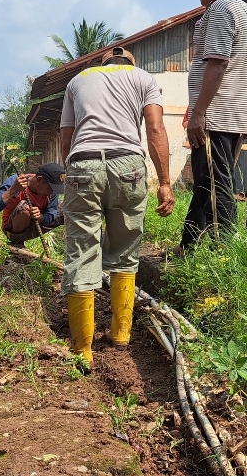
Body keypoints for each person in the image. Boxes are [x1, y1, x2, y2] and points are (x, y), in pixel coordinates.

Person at [58, 46, 176, 363]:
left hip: (83, 165)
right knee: (125, 251)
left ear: (104, 63)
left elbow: (66, 137)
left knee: (81, 251)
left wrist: (70, 175)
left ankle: (82, 349)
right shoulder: (144, 79)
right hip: (128, 167)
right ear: (130, 63)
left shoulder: (78, 80)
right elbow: (154, 128)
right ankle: (120, 333)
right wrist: (165, 182)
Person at [179, 0, 247, 253]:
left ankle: (225, 251)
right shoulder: (242, 10)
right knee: (206, 181)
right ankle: (188, 245)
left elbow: (218, 64)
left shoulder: (221, 10)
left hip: (216, 115)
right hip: (231, 113)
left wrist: (199, 113)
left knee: (214, 184)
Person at [0, 164, 64, 245]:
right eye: (50, 189)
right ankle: (17, 243)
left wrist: (41, 217)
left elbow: (51, 213)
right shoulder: (16, 181)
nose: (52, 192)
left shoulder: (52, 192)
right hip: (13, 229)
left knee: (69, 207)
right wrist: (13, 190)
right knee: (25, 207)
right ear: (40, 179)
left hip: (37, 226)